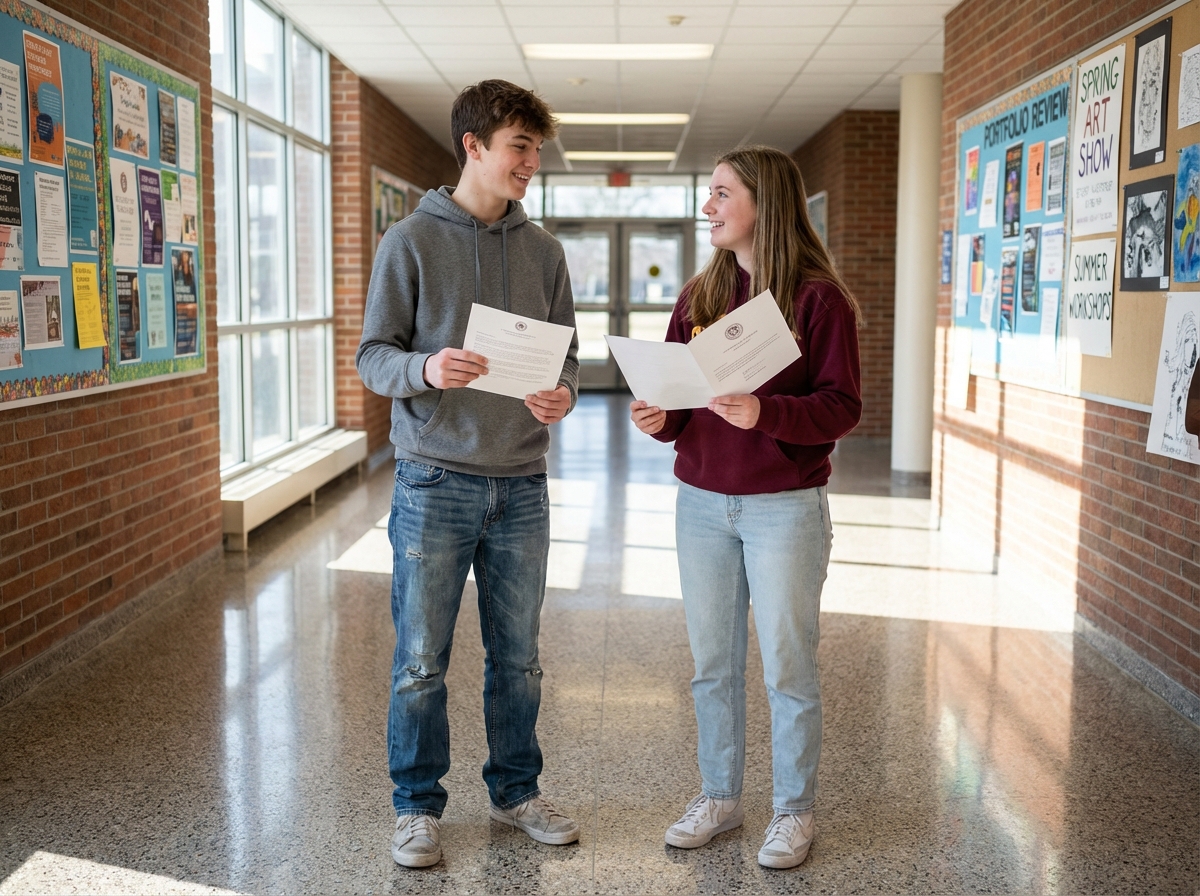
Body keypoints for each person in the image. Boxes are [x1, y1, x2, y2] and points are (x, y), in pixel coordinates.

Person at [356, 79, 580, 869]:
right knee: (422, 658)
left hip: (522, 484)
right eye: (520, 146)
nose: (531, 163)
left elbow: (569, 360)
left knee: (517, 656)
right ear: (474, 147)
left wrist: (564, 396)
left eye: (537, 149)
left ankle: (517, 793)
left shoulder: (545, 252)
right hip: (433, 484)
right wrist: (427, 367)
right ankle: (416, 807)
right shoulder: (410, 242)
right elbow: (373, 356)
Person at [630, 146, 862, 870]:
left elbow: (841, 407)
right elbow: (677, 397)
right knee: (711, 664)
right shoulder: (699, 294)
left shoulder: (818, 300)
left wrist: (765, 412)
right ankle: (720, 798)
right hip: (700, 501)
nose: (710, 207)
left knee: (788, 665)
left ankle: (793, 811)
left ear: (765, 202)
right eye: (710, 193)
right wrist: (658, 417)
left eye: (722, 193)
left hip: (783, 509)